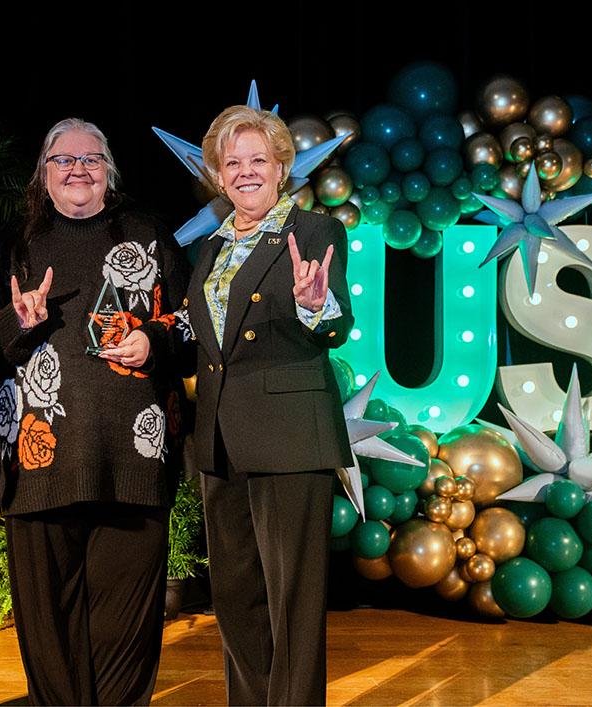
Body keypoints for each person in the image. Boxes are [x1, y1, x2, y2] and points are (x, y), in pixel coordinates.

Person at [0, 117, 189, 706]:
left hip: (134, 461)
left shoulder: (149, 236)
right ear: (43, 175)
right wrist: (17, 321)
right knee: (49, 629)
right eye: (63, 159)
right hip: (39, 465)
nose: (78, 168)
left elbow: (193, 325)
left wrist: (154, 339)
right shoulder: (14, 244)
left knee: (125, 631)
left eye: (91, 159)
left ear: (109, 172)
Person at [188, 104, 353, 705]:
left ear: (282, 168)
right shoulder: (211, 248)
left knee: (293, 602)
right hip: (220, 439)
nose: (246, 172)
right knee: (235, 597)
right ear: (218, 175)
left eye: (258, 159)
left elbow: (336, 324)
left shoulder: (314, 233)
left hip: (289, 436)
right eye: (232, 163)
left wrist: (314, 304)